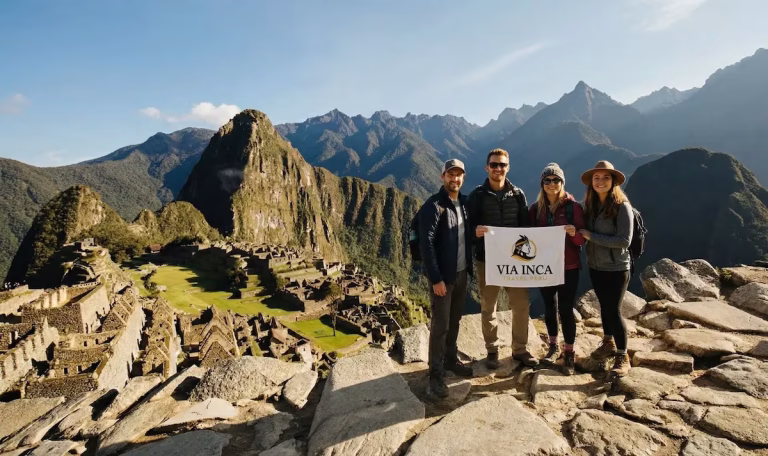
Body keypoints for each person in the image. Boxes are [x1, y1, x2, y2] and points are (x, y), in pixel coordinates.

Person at [468, 148, 538, 369]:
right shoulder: (477, 196)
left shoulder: (517, 195)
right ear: (487, 167)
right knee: (489, 307)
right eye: (494, 164)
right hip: (486, 260)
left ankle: (519, 349)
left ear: (508, 167)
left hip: (515, 261)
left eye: (502, 165)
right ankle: (492, 350)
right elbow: (465, 228)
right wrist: (474, 232)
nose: (498, 168)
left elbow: (526, 227)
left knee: (521, 305)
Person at [419, 158, 475, 398]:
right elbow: (426, 245)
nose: (455, 179)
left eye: (458, 175)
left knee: (455, 321)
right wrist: (436, 279)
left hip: (462, 273)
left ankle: (451, 359)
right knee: (440, 326)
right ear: (442, 177)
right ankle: (436, 374)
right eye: (450, 175)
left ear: (463, 178)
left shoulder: (463, 203)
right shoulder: (434, 206)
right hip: (443, 278)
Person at [529, 163, 586, 375]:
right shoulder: (535, 210)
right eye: (547, 180)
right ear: (542, 184)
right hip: (544, 266)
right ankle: (553, 346)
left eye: (556, 180)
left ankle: (569, 352)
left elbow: (582, 240)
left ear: (562, 183)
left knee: (566, 308)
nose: (552, 184)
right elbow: (526, 236)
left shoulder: (573, 208)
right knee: (549, 306)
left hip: (568, 266)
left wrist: (574, 234)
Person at [578, 160, 633, 377]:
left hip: (617, 267)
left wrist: (591, 236)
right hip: (596, 265)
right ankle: (608, 342)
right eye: (597, 178)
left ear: (613, 181)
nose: (601, 181)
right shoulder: (590, 206)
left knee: (614, 311)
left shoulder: (622, 206)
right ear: (592, 182)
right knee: (604, 307)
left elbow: (624, 241)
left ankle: (623, 355)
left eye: (606, 178)